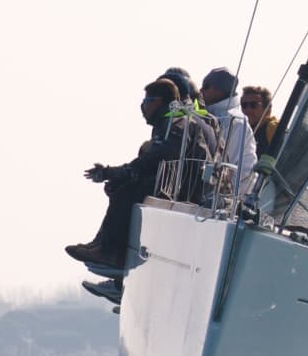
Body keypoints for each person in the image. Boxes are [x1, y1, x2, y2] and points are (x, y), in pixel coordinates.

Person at [66, 78, 213, 271]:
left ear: (159, 102)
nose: (142, 107)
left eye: (146, 101)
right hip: (173, 183)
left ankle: (111, 252)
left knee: (127, 192)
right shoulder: (168, 122)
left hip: (186, 190)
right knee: (120, 187)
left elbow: (154, 160)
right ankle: (102, 243)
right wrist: (115, 175)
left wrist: (112, 172)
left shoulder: (176, 124)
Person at [201, 67, 257, 197]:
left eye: (206, 86)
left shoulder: (235, 121)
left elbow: (226, 160)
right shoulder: (214, 115)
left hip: (230, 197)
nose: (201, 90)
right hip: (213, 192)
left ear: (218, 90)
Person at [241, 85, 278, 155]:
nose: (248, 110)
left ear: (267, 109)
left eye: (253, 105)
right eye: (244, 105)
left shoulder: (273, 127)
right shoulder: (241, 130)